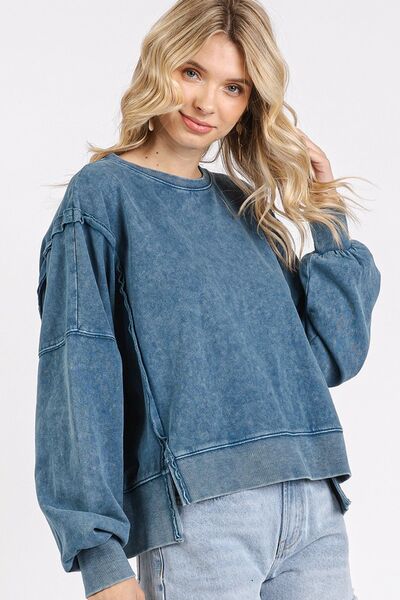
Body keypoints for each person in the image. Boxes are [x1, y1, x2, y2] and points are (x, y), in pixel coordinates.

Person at [34, 1, 381, 599]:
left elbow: (328, 356)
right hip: (203, 513)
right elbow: (79, 373)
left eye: (233, 87)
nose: (205, 103)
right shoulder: (104, 197)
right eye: (191, 72)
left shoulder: (240, 205)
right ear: (159, 64)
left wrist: (325, 216)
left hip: (315, 507)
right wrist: (101, 558)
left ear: (250, 103)